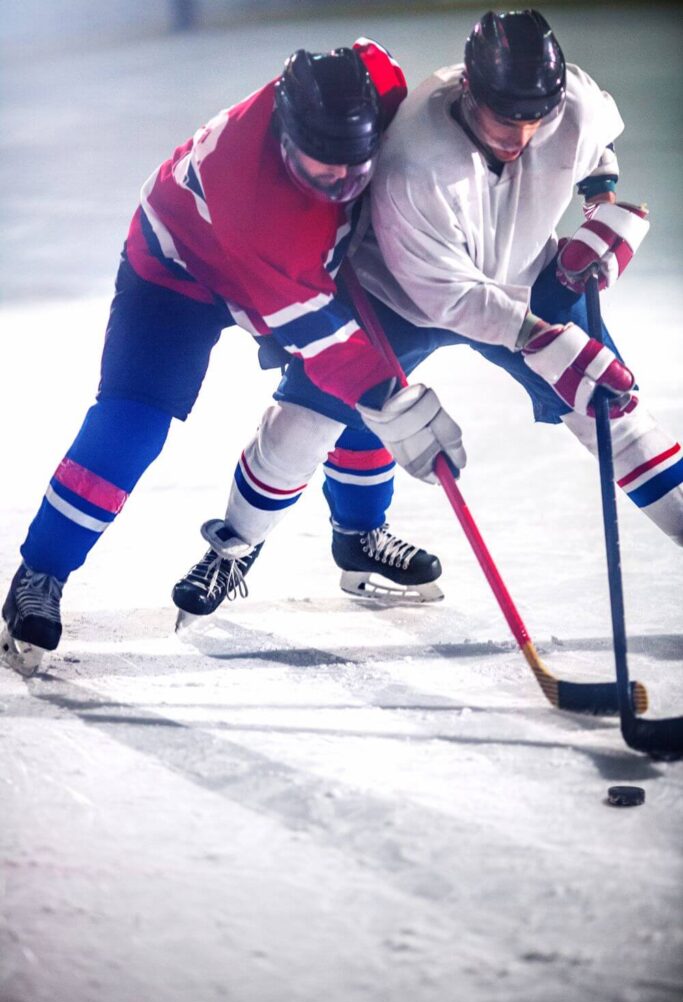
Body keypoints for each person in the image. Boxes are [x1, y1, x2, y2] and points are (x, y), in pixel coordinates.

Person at [171, 7, 681, 620]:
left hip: (520, 276)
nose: (520, 137)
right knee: (304, 421)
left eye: (535, 119)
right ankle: (233, 548)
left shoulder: (571, 98)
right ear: (470, 88)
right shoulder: (415, 160)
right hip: (402, 295)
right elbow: (451, 299)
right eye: (504, 118)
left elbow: (597, 141)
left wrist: (601, 203)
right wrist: (544, 338)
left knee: (611, 410)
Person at [1, 39, 467, 672]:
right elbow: (332, 354)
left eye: (352, 168)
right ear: (284, 140)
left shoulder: (373, 79)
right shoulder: (255, 201)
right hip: (178, 269)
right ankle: (41, 572)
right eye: (320, 170)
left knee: (357, 381)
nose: (339, 185)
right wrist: (398, 404)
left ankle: (359, 535)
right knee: (134, 421)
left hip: (290, 263)